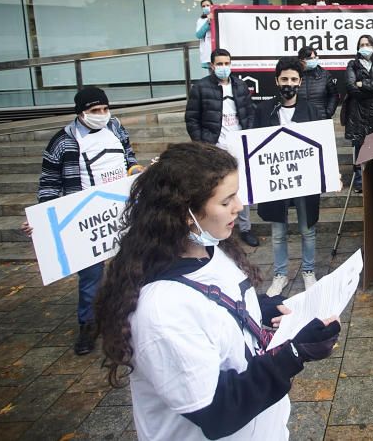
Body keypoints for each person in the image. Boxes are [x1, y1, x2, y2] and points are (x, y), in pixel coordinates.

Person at [95, 142, 340, 441]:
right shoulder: (162, 311)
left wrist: (260, 307)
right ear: (187, 214)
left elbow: (219, 303)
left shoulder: (210, 247)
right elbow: (217, 411)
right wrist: (293, 353)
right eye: (226, 201)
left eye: (236, 194)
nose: (239, 206)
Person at [23, 86, 142, 356]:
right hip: (87, 218)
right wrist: (42, 219)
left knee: (130, 268)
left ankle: (130, 318)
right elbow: (50, 184)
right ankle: (88, 325)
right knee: (91, 277)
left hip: (121, 211)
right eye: (94, 111)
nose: (101, 114)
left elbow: (128, 156)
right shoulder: (63, 142)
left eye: (104, 109)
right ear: (81, 113)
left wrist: (135, 171)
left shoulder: (115, 127)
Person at [255, 57, 324, 297]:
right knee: (278, 232)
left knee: (307, 229)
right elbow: (254, 146)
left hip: (305, 181)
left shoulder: (312, 110)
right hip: (275, 181)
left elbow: (321, 145)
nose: (289, 83)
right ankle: (280, 274)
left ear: (300, 82)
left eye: (294, 79)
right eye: (284, 79)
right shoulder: (264, 110)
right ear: (276, 80)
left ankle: (308, 271)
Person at [185, 48, 258, 246]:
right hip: (214, 148)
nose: (224, 67)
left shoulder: (240, 86)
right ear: (212, 65)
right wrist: (203, 144)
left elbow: (250, 113)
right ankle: (216, 228)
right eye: (220, 64)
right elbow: (192, 119)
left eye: (227, 63)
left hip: (238, 146)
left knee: (240, 188)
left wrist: (246, 136)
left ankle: (245, 228)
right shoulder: (200, 88)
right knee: (215, 190)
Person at [343, 35, 373, 193]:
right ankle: (359, 183)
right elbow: (351, 87)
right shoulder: (352, 65)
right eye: (362, 44)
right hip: (358, 112)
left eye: (367, 44)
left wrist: (363, 83)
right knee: (360, 148)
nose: (365, 47)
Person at [297, 45, 339, 119]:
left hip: (321, 118)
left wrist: (328, 112)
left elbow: (334, 95)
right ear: (301, 60)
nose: (313, 60)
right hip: (300, 119)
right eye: (309, 58)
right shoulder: (295, 76)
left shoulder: (325, 74)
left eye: (315, 57)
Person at [195, 0, 213, 69]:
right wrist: (208, 23)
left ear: (212, 6)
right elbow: (199, 35)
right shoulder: (201, 20)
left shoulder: (218, 16)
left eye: (208, 5)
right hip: (208, 53)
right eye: (203, 6)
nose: (206, 7)